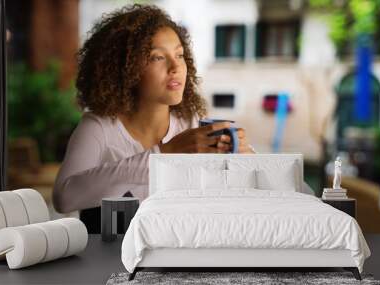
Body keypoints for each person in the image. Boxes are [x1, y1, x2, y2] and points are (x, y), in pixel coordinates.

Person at [52, 4, 254, 232]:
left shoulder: (191, 121)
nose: (176, 66)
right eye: (157, 57)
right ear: (124, 68)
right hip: (109, 261)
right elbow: (64, 198)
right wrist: (163, 155)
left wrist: (242, 158)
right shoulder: (99, 127)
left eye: (179, 55)